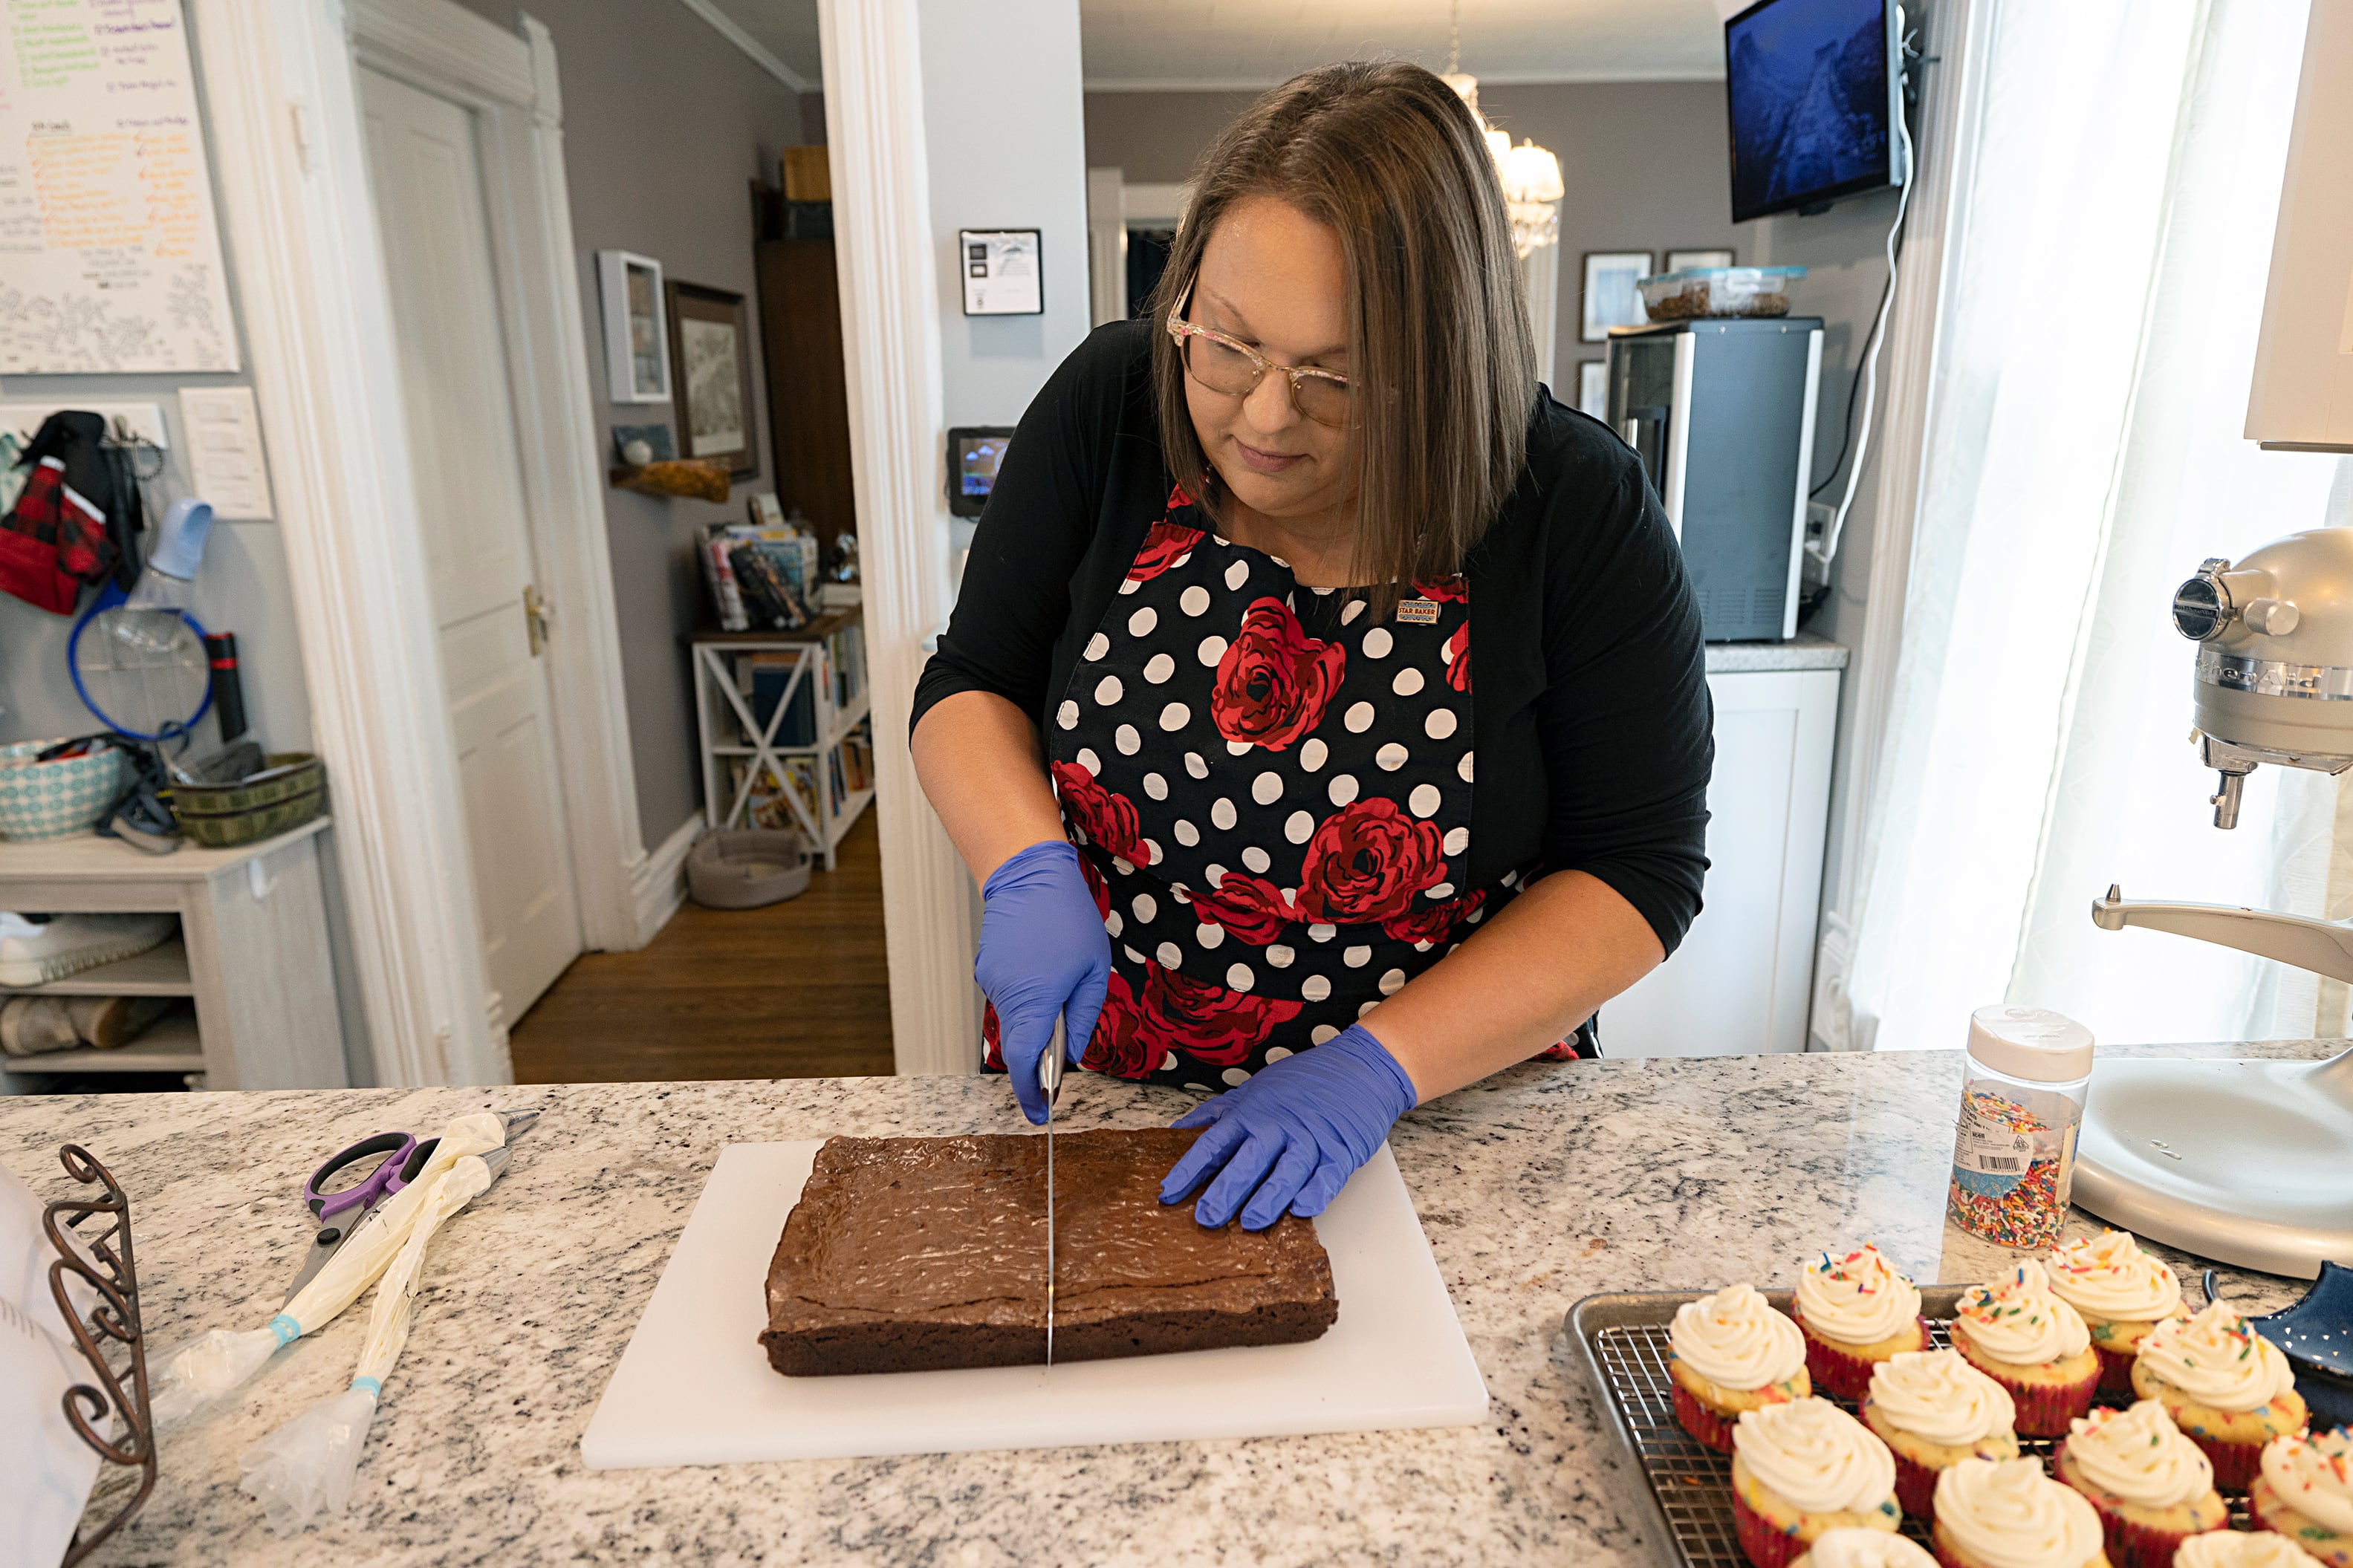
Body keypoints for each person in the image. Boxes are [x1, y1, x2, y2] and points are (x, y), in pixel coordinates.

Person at [910, 61, 1712, 1234]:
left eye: (1338, 378)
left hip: (1441, 1113)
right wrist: (1024, 864)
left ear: (1448, 368)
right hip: (1107, 1094)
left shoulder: (1574, 507)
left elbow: (1641, 868)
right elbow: (972, 681)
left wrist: (1375, 1071)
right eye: (1227, 346)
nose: (1265, 416)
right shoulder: (1109, 407)